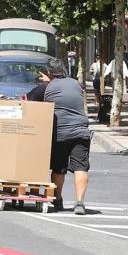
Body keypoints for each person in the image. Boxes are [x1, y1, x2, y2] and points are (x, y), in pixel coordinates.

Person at [26, 58, 90, 215]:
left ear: (48, 73)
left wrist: (47, 82)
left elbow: (28, 100)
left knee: (59, 167)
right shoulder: (76, 84)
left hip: (60, 133)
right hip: (81, 131)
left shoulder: (46, 87)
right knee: (80, 167)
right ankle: (80, 202)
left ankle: (58, 199)